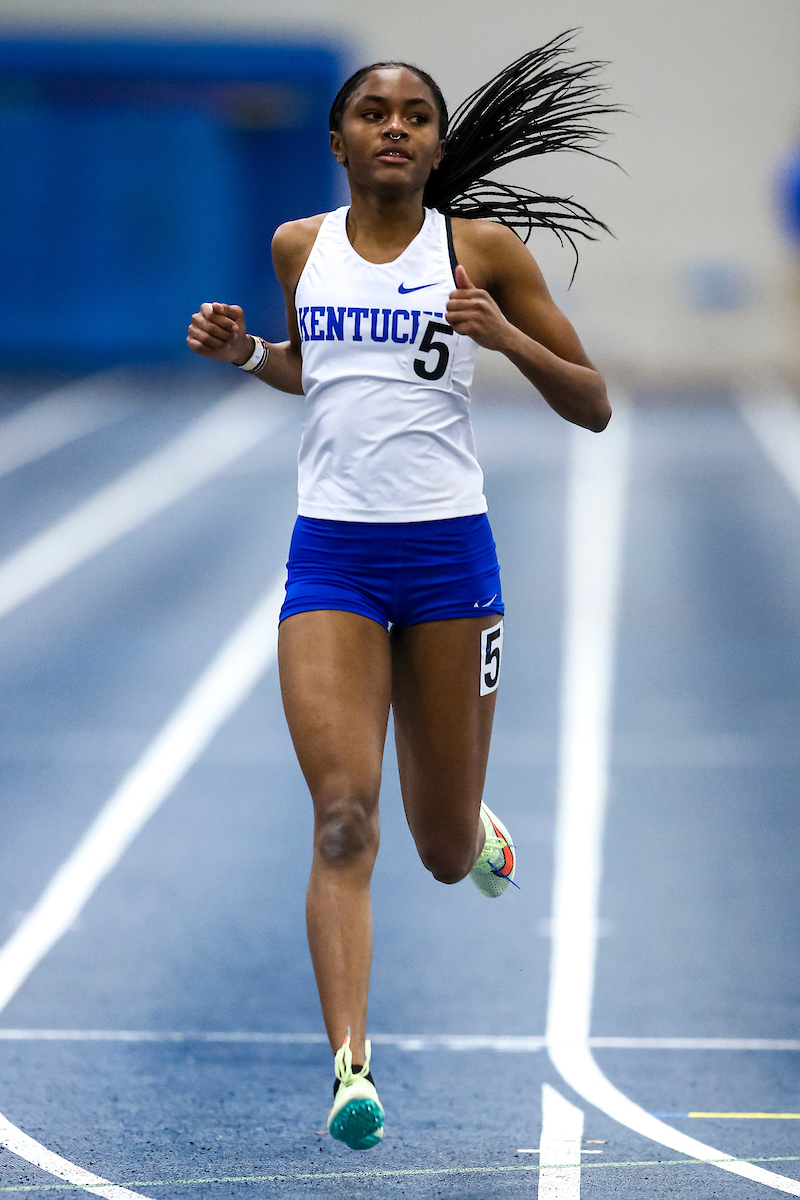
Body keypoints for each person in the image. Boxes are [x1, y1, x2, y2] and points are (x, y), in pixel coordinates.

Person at [187, 34, 615, 1152]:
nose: (393, 125)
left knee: (430, 847)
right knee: (341, 818)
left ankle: (463, 817)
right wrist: (246, 356)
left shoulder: (479, 251)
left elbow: (593, 404)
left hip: (447, 565)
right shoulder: (298, 246)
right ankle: (349, 1071)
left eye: (413, 115)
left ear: (434, 147)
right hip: (330, 556)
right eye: (372, 112)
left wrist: (505, 333)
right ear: (335, 142)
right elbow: (315, 369)